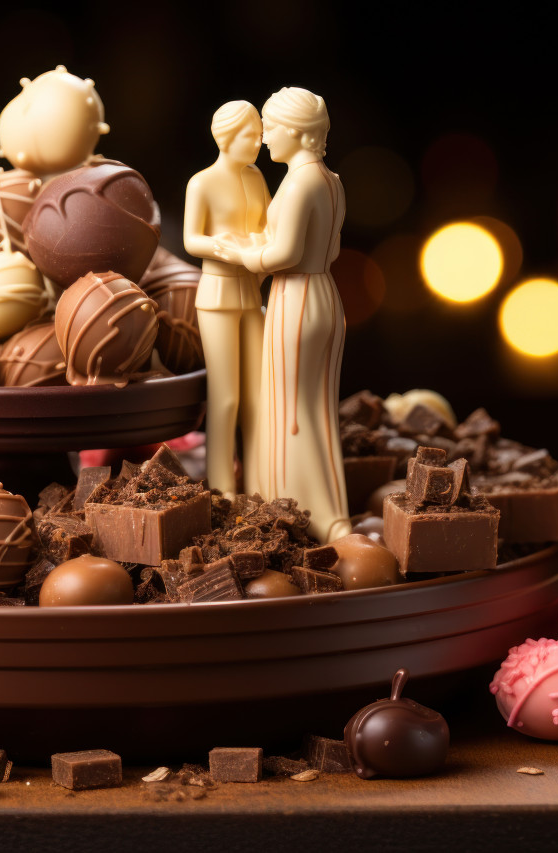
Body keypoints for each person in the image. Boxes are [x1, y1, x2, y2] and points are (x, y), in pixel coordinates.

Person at [214, 87, 351, 543]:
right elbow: (326, 248)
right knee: (316, 407)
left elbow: (284, 255)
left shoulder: (298, 182)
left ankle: (302, 512)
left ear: (295, 131)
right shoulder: (332, 180)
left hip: (295, 297)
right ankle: (329, 508)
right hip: (326, 295)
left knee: (289, 410)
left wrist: (240, 252)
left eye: (270, 128)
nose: (266, 137)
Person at [182, 101, 271, 497]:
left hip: (252, 291)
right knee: (226, 396)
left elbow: (269, 227)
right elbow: (191, 239)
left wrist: (262, 246)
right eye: (250, 136)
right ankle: (223, 489)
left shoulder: (256, 178)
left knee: (256, 395)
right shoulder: (201, 182)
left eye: (260, 136)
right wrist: (221, 246)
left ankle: (258, 483)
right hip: (217, 293)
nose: (258, 143)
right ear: (227, 137)